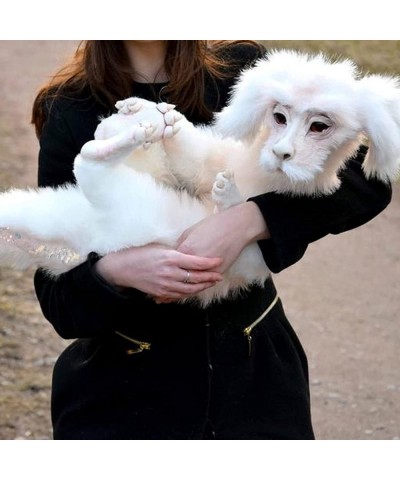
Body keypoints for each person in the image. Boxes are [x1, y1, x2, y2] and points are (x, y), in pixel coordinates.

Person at [31, 40, 392, 440]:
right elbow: (57, 290)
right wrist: (116, 271)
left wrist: (250, 219)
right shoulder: (68, 107)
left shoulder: (243, 68)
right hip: (123, 387)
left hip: (256, 373)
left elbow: (368, 180)